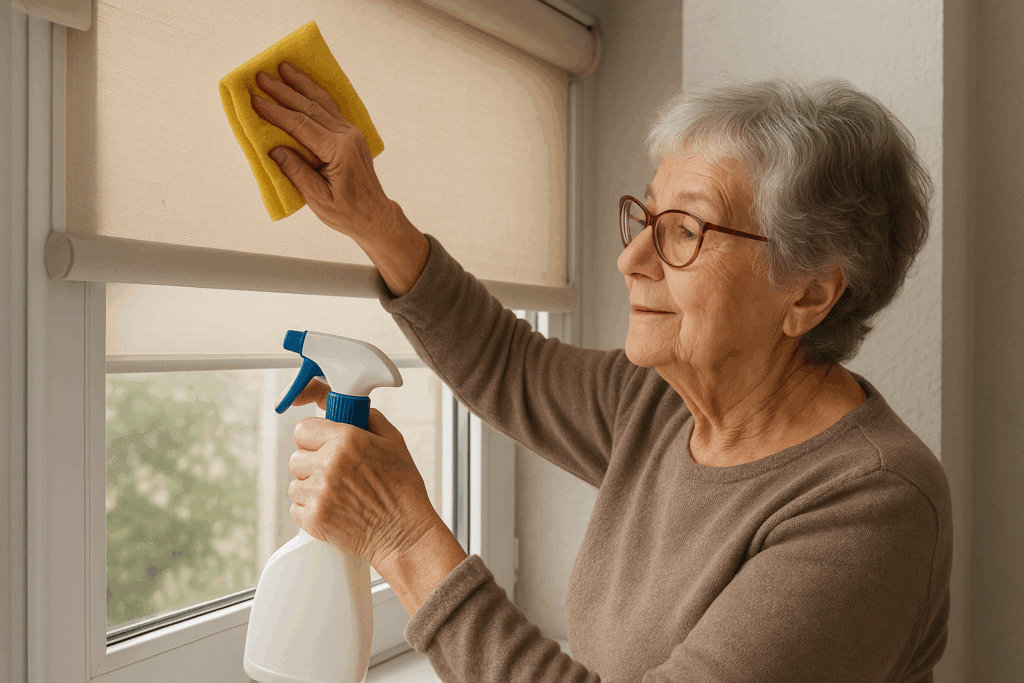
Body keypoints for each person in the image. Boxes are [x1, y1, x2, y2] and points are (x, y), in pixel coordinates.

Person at [251, 62, 952, 682]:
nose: (631, 259)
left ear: (807, 292)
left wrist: (401, 536)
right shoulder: (659, 402)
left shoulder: (872, 507)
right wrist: (372, 217)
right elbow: (507, 364)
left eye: (686, 231)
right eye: (647, 217)